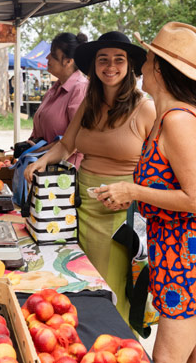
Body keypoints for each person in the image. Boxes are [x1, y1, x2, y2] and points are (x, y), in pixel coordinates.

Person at [24, 31, 156, 325]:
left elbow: (162, 169)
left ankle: (117, 345)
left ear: (130, 66)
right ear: (94, 65)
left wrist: (134, 190)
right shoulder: (89, 103)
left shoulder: (145, 108)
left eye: (118, 60)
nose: (110, 66)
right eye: (103, 59)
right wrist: (41, 160)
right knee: (74, 284)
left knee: (108, 292)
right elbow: (66, 145)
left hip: (118, 214)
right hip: (76, 206)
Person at [95, 22, 196, 362]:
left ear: (159, 68)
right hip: (169, 257)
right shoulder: (165, 117)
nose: (141, 65)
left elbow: (195, 197)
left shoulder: (178, 121)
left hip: (186, 263)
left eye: (148, 57)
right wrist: (130, 193)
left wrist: (132, 189)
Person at [27, 32, 89, 166]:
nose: (47, 57)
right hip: (44, 170)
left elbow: (76, 140)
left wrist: (42, 151)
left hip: (65, 175)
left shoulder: (80, 89)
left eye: (53, 55)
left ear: (68, 61)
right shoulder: (53, 90)